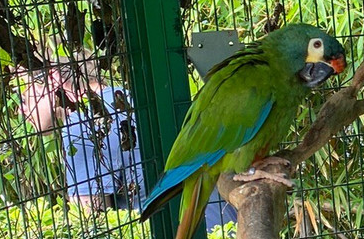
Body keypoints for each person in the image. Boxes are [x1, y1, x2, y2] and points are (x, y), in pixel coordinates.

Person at [20, 58, 235, 228]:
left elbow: (88, 221)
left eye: (25, 96)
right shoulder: (132, 100)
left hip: (189, 238)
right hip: (228, 225)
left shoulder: (80, 124)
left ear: (54, 78)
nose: (22, 109)